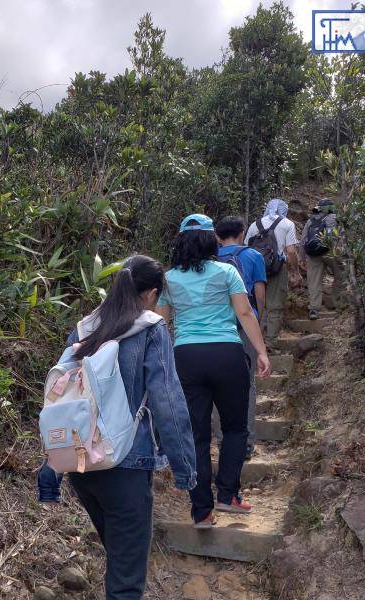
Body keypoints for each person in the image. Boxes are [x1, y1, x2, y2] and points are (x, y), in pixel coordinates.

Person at [39, 254, 197, 600]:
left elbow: (64, 400)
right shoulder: (152, 329)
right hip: (126, 464)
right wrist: (185, 469)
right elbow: (168, 403)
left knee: (120, 559)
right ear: (152, 293)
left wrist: (51, 467)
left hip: (82, 466)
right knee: (126, 582)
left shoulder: (84, 329)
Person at [156, 214, 271, 529]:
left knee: (196, 435)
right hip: (226, 354)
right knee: (234, 428)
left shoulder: (169, 279)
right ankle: (228, 494)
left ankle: (201, 511)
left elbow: (161, 323)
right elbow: (245, 313)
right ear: (212, 240)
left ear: (179, 241)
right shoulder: (227, 271)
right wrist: (261, 351)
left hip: (186, 357)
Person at [213, 216, 267, 459]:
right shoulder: (253, 256)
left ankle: (223, 441)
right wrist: (258, 320)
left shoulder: (210, 258)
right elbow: (259, 292)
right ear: (242, 232)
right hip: (244, 326)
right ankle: (247, 442)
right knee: (247, 384)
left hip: (216, 328)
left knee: (216, 387)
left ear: (217, 235)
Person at [244, 199, 301, 344]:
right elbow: (291, 251)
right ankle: (270, 342)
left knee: (256, 304)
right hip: (277, 268)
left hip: (255, 269)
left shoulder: (254, 224)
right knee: (275, 305)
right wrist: (296, 271)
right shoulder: (287, 224)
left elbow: (245, 248)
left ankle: (255, 341)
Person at [300, 198, 346, 319]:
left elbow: (303, 240)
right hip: (331, 251)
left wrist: (302, 258)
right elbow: (341, 236)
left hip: (313, 254)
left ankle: (314, 309)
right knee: (341, 275)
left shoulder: (311, 220)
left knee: (314, 282)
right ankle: (339, 304)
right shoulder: (335, 217)